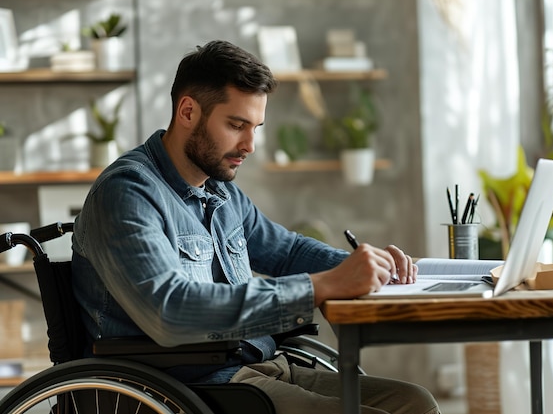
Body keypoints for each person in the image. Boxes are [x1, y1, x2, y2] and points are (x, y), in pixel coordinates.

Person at [71, 40, 440, 414]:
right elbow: (169, 311)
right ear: (187, 111)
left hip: (258, 366)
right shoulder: (126, 193)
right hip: (188, 388)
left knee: (414, 403)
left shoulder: (219, 190)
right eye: (236, 125)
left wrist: (366, 267)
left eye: (256, 127)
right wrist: (321, 286)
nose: (249, 145)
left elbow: (288, 251)